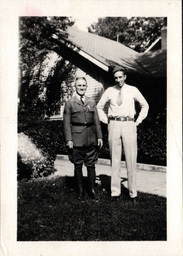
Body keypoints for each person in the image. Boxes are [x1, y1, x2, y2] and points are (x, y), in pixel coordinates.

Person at [97, 66, 149, 202]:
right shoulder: (109, 91)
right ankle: (115, 192)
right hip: (114, 124)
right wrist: (105, 120)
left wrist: (137, 122)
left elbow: (145, 105)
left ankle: (133, 193)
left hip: (129, 124)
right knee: (115, 159)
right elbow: (99, 106)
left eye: (121, 77)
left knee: (131, 159)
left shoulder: (133, 90)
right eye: (116, 78)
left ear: (125, 77)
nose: (118, 80)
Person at [63, 76, 103, 200]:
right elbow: (66, 123)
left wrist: (100, 137)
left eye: (83, 85)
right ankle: (80, 190)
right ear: (75, 87)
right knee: (78, 165)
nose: (81, 87)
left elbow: (96, 121)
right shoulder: (70, 102)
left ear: (86, 87)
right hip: (77, 139)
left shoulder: (91, 102)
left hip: (91, 138)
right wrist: (69, 139)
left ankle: (91, 189)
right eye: (79, 85)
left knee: (91, 165)